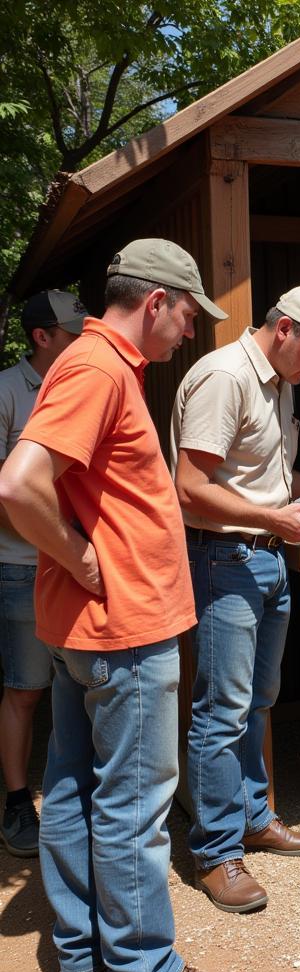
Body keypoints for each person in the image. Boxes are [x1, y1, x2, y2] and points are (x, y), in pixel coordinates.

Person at [0, 239, 246, 972]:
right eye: (186, 316)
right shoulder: (99, 367)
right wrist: (80, 558)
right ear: (154, 303)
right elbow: (19, 484)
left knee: (72, 789)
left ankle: (83, 953)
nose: (188, 332)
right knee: (133, 805)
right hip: (123, 629)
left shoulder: (96, 366)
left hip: (89, 631)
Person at [171, 286, 300, 914]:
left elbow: (264, 480)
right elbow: (189, 487)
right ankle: (218, 850)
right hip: (225, 559)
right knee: (221, 709)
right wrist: (275, 522)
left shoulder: (279, 380)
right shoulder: (224, 377)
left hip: (266, 557)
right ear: (283, 328)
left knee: (258, 699)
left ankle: (252, 815)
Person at [0, 291, 84, 857]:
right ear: (42, 337)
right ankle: (14, 803)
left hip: (76, 564)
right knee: (26, 691)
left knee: (73, 692)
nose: (84, 340)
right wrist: (50, 534)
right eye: (73, 332)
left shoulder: (81, 385)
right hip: (22, 565)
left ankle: (72, 805)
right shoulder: (7, 390)